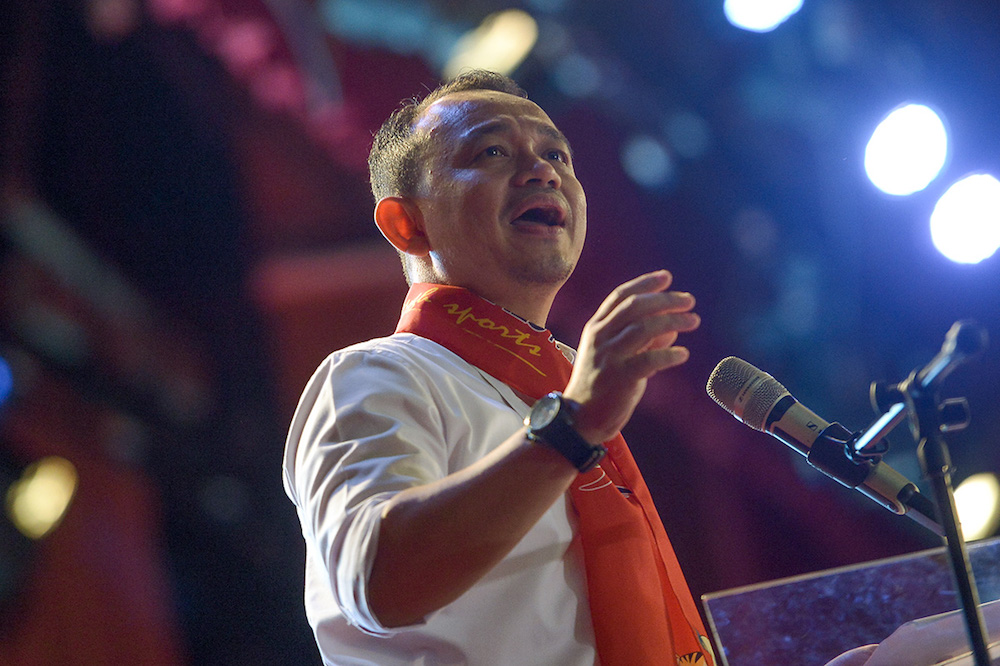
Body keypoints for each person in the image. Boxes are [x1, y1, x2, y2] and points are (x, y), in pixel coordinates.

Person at [282, 69, 713, 665]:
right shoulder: (375, 377)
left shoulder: (565, 389)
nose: (544, 171)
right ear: (407, 224)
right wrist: (570, 428)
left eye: (557, 153)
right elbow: (378, 582)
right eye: (491, 151)